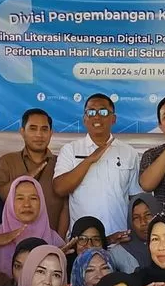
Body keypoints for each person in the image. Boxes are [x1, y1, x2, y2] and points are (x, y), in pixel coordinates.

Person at [54, 94, 142, 236]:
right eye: (91, 112)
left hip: (120, 238)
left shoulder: (129, 152)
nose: (96, 117)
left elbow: (135, 198)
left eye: (103, 112)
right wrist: (89, 160)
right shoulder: (71, 149)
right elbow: (60, 188)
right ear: (84, 119)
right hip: (83, 242)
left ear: (113, 119)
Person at [0, 107, 61, 233]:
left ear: (51, 133)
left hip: (50, 243)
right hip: (12, 242)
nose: (39, 135)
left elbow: (66, 206)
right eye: (33, 129)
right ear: (22, 132)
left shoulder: (60, 162)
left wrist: (59, 242)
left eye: (44, 129)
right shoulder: (7, 161)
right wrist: (26, 178)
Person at [0, 176, 63, 280]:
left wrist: (59, 256)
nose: (27, 204)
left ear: (42, 203)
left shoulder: (53, 239)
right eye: (20, 198)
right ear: (10, 202)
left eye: (33, 198)